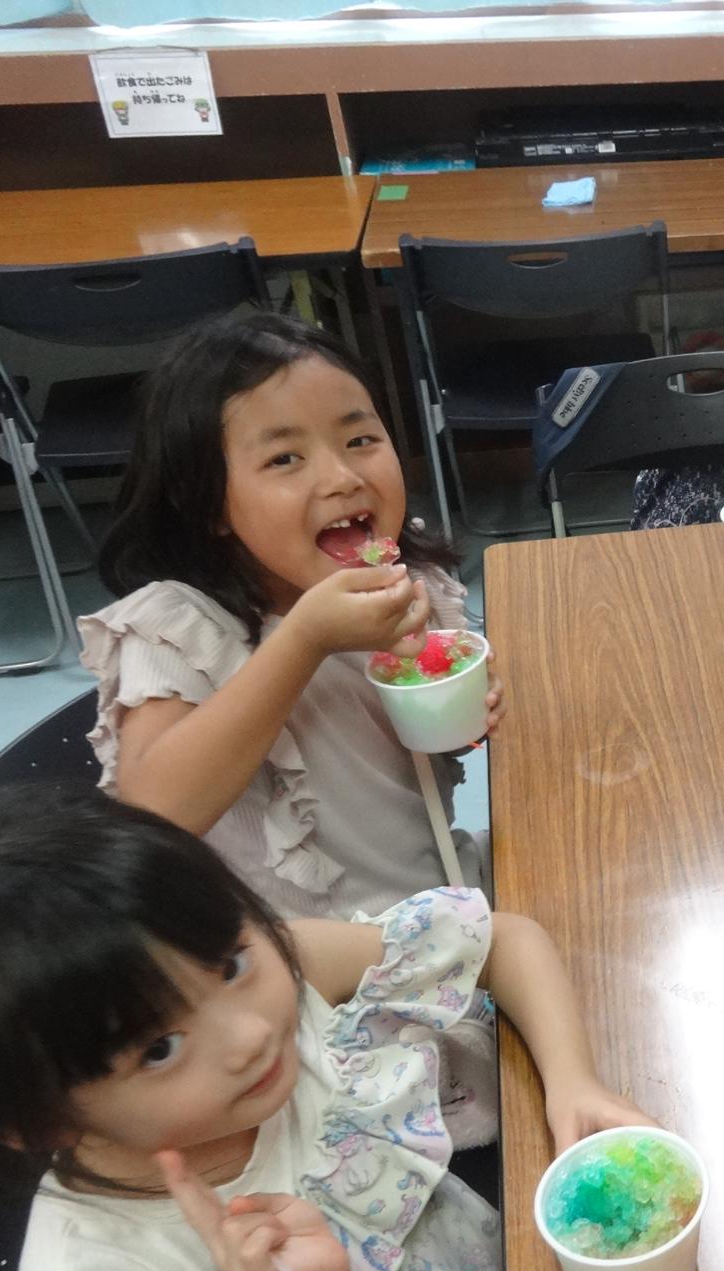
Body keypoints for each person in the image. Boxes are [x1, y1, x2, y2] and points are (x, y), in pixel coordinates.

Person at [0, 787, 649, 1271]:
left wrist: (571, 1080)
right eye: (160, 1049)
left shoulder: (260, 971)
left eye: (231, 964)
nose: (249, 1034)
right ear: (45, 1122)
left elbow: (501, 940)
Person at [85, 311, 502, 920]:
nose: (342, 477)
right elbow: (154, 815)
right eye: (284, 458)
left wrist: (464, 715)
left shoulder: (409, 586)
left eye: (359, 440)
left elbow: (411, 761)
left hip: (440, 893)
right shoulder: (176, 627)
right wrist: (306, 640)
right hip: (311, 951)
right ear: (208, 503)